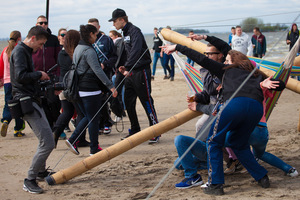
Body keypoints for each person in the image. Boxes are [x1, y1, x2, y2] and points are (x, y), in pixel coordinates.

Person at [162, 44, 280, 195]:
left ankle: (215, 184)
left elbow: (201, 59)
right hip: (256, 109)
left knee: (213, 141)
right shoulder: (255, 74)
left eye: (227, 60)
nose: (224, 63)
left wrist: (177, 47)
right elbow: (280, 84)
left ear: (234, 61)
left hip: (235, 105)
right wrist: (266, 83)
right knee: (239, 144)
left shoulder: (226, 70)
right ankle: (262, 176)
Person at [10, 26, 55, 194]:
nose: (41, 48)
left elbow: (23, 77)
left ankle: (41, 172)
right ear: (33, 38)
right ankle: (29, 179)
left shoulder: (24, 51)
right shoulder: (20, 51)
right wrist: (39, 74)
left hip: (32, 99)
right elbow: (20, 76)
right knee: (48, 142)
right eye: (41, 44)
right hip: (26, 101)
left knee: (46, 137)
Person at [65, 24, 117, 156]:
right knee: (93, 118)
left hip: (80, 89)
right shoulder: (88, 50)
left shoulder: (78, 48)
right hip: (90, 89)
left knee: (89, 117)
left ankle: (83, 143)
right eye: (95, 34)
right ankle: (87, 145)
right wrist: (111, 86)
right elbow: (97, 70)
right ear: (91, 35)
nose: (96, 37)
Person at [109, 8, 159, 143]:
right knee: (129, 102)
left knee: (146, 100)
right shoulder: (124, 33)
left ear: (122, 19)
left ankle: (155, 130)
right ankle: (135, 128)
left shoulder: (134, 31)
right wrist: (120, 68)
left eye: (114, 21)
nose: (113, 24)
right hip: (129, 73)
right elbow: (125, 53)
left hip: (141, 71)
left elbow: (136, 51)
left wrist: (128, 66)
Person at [53, 29, 89, 148]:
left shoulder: (61, 53)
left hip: (63, 85)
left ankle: (55, 134)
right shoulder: (72, 54)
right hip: (73, 87)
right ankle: (79, 138)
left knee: (66, 112)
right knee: (81, 114)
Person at [88, 18, 117, 135]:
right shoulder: (87, 41)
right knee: (95, 100)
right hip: (91, 75)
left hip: (105, 73)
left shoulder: (106, 40)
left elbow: (114, 57)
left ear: (99, 27)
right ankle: (99, 124)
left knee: (104, 99)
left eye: (94, 27)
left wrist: (104, 65)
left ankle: (107, 123)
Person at [33, 15, 61, 129]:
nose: (43, 25)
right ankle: (50, 126)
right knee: (42, 103)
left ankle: (57, 125)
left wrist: (58, 75)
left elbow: (58, 58)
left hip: (51, 75)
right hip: (37, 76)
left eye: (45, 23)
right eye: (41, 23)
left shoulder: (53, 39)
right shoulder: (33, 39)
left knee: (54, 102)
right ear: (37, 24)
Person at [0, 30, 26, 137]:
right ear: (19, 39)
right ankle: (18, 129)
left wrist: (1, 79)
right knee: (19, 104)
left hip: (7, 82)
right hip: (17, 82)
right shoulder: (18, 50)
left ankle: (5, 120)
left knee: (8, 103)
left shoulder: (5, 51)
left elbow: (1, 67)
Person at [109, 30, 127, 122]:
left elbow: (117, 58)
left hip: (121, 70)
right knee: (121, 91)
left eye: (111, 36)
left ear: (116, 36)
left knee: (118, 91)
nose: (110, 38)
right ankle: (121, 111)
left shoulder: (118, 43)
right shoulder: (119, 42)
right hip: (122, 70)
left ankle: (120, 112)